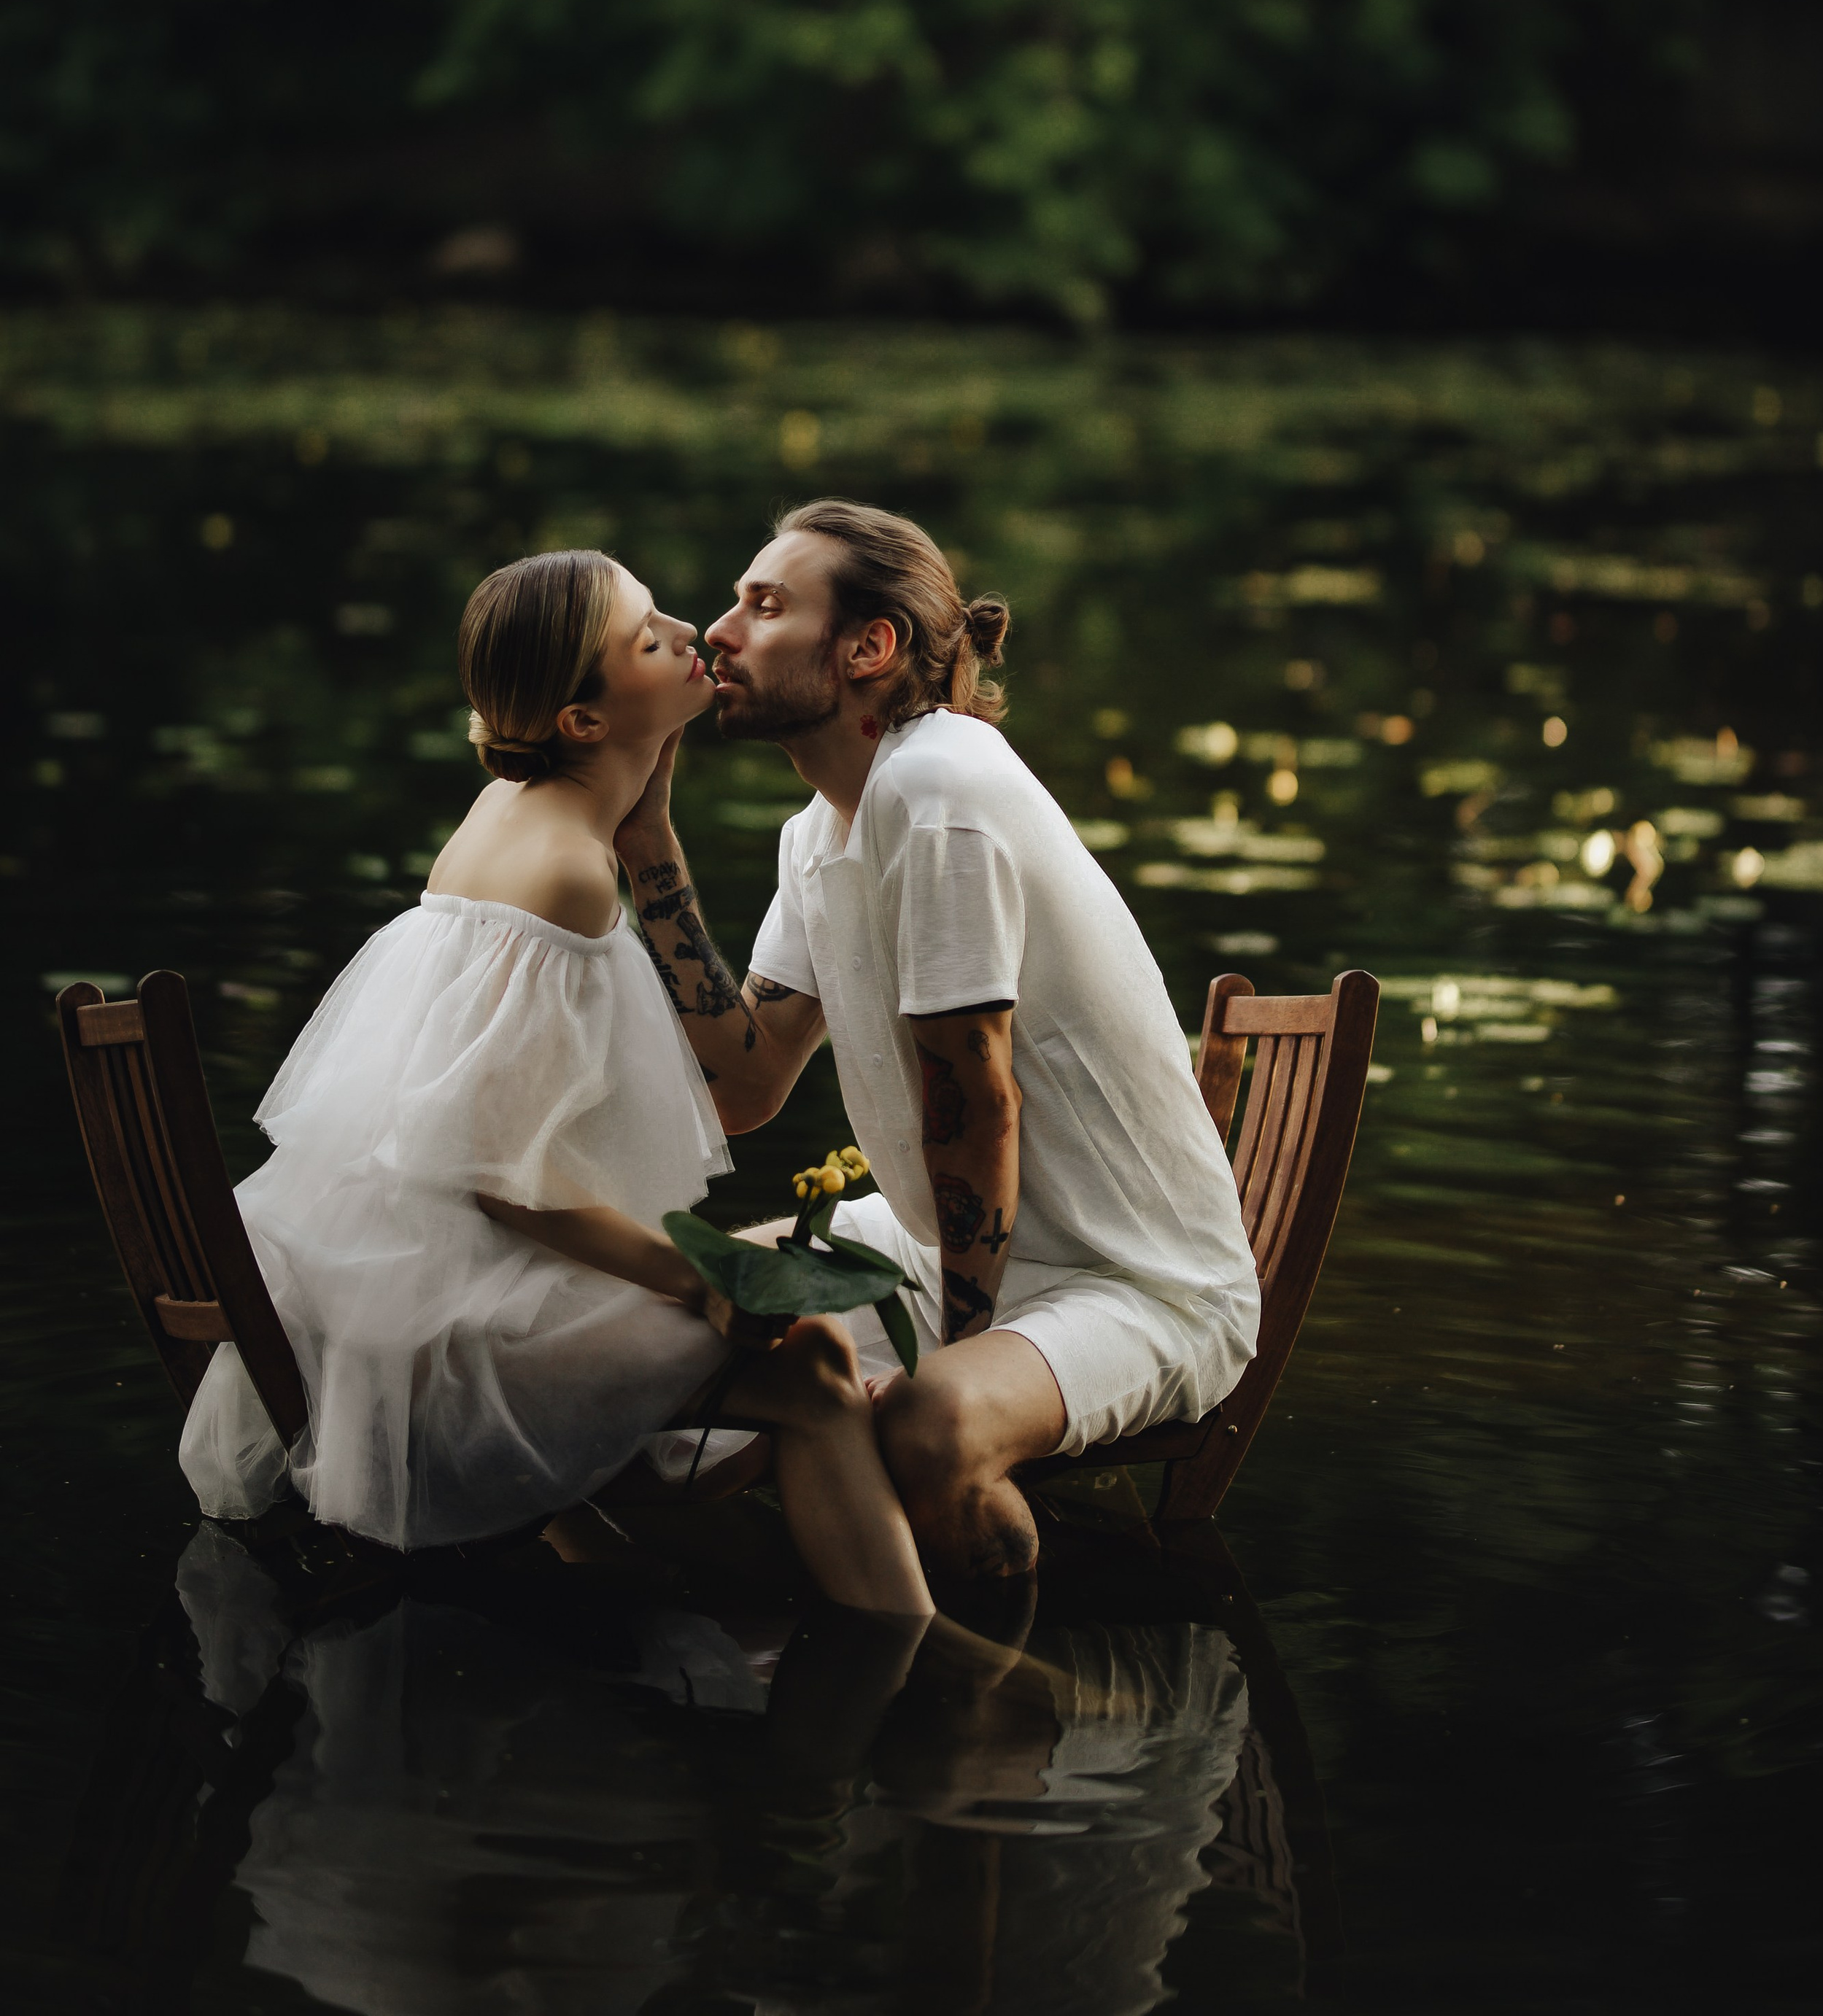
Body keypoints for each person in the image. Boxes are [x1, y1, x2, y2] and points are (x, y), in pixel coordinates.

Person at [179, 548, 931, 1619]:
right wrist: (698, 1282)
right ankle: (921, 1666)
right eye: (648, 635)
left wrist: (652, 828)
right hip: (449, 1338)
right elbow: (504, 1182)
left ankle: (654, 1586)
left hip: (405, 1294)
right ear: (584, 721)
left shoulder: (520, 816)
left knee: (788, 1300)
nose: (693, 632)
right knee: (811, 1361)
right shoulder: (565, 876)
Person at [612, 500, 1261, 1590]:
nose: (718, 630)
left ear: (869, 648)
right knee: (650, 1325)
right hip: (937, 1249)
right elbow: (747, 1083)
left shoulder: (942, 786)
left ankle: (1008, 1710)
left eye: (764, 604)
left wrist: (952, 1355)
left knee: (930, 1425)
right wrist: (649, 845)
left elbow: (978, 1102)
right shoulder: (819, 830)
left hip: (1136, 1284)